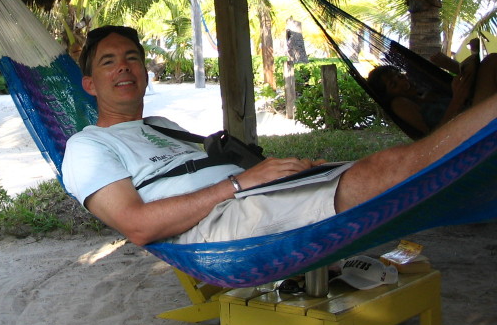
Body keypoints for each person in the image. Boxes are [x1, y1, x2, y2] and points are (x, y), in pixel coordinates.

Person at [61, 26, 497, 247]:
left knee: (385, 168)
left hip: (251, 196)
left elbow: (215, 171)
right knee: (391, 169)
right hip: (218, 226)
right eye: (109, 62)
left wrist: (283, 172)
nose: (124, 67)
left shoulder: (161, 126)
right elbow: (137, 226)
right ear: (90, 85)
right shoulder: (87, 147)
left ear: (144, 72)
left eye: (132, 57)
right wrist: (240, 184)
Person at [367, 51, 497, 136]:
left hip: (475, 113)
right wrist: (458, 98)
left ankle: (459, 65)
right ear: (388, 94)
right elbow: (433, 136)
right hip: (470, 128)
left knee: (488, 63)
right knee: (491, 61)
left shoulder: (426, 93)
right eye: (393, 85)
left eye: (399, 76)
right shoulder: (399, 103)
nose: (402, 82)